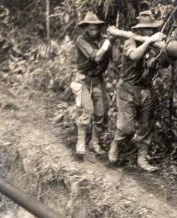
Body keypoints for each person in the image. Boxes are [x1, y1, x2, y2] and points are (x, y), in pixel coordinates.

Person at [107, 10, 167, 172]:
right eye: (146, 29)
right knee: (126, 128)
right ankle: (116, 144)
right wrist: (148, 42)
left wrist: (165, 47)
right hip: (128, 89)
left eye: (151, 29)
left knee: (146, 126)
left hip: (146, 89)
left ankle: (142, 157)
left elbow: (166, 62)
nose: (150, 32)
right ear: (139, 30)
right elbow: (133, 56)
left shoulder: (155, 44)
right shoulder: (131, 41)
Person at [71, 11, 113, 158]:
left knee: (101, 111)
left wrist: (112, 41)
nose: (94, 31)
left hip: (97, 79)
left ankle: (94, 142)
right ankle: (80, 142)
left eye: (96, 28)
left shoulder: (103, 39)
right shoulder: (80, 40)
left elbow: (115, 58)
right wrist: (107, 44)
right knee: (87, 109)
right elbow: (96, 57)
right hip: (82, 79)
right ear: (85, 29)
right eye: (90, 29)